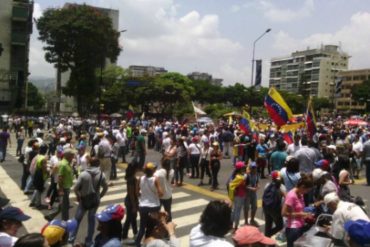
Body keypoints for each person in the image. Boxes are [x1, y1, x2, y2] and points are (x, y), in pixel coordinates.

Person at [69, 157, 108, 247]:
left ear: (89, 164)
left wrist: (78, 196)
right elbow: (105, 188)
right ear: (98, 164)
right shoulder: (101, 174)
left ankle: (71, 239)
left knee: (77, 220)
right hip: (95, 201)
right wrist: (100, 196)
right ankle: (89, 241)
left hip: (83, 200)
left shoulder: (83, 174)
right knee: (91, 221)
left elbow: (75, 188)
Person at [282, 174, 314, 247]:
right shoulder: (291, 196)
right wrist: (301, 214)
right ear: (302, 187)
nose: (307, 193)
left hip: (300, 226)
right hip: (293, 229)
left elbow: (298, 209)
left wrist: (305, 214)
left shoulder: (300, 194)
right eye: (307, 190)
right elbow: (284, 213)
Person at [136, 162, 163, 247]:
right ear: (152, 171)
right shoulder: (155, 179)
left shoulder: (140, 178)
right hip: (154, 206)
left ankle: (137, 243)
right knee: (154, 227)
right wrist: (157, 195)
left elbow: (137, 192)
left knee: (142, 227)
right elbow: (161, 193)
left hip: (143, 206)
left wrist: (143, 196)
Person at [263, 171, 285, 237]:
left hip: (266, 207)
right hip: (276, 210)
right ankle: (269, 234)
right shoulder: (282, 187)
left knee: (268, 224)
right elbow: (284, 199)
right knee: (280, 226)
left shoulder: (267, 185)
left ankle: (266, 237)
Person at [227, 161, 246, 231]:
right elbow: (244, 186)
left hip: (234, 195)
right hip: (240, 196)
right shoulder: (241, 177)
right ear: (240, 169)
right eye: (243, 167)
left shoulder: (233, 175)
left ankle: (231, 224)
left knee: (234, 210)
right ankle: (236, 227)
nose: (244, 168)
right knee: (238, 211)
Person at [122, 162, 139, 240]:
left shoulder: (130, 178)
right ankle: (135, 234)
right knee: (132, 218)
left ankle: (125, 234)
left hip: (129, 200)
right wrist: (134, 205)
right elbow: (132, 194)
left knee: (130, 218)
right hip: (131, 201)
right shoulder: (132, 179)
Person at [58, 148, 76, 221]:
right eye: (72, 155)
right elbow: (60, 178)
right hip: (64, 188)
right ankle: (64, 220)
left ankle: (65, 219)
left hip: (67, 187)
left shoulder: (67, 163)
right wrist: (61, 189)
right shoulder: (63, 164)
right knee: (64, 206)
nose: (73, 157)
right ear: (68, 156)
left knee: (65, 205)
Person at [244, 162, 259, 226]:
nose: (254, 169)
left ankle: (252, 220)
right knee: (246, 208)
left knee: (255, 207)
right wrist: (251, 188)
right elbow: (244, 186)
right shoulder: (247, 175)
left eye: (255, 167)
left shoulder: (257, 174)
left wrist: (257, 186)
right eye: (253, 167)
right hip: (247, 194)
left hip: (254, 193)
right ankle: (246, 221)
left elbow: (257, 181)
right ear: (250, 168)